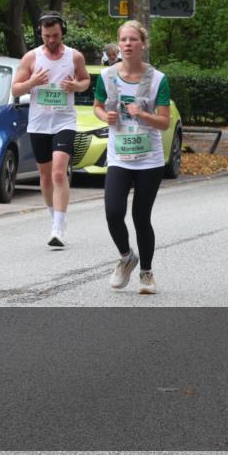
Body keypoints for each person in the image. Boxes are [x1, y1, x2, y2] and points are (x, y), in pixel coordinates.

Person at [93, 20, 171, 295]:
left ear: (143, 44)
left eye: (133, 40)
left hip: (149, 159)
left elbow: (164, 122)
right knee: (113, 213)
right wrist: (106, 116)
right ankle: (126, 257)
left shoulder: (159, 79)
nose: (127, 44)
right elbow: (98, 107)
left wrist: (142, 114)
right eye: (123, 40)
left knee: (141, 216)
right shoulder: (106, 76)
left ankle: (146, 273)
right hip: (119, 156)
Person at [11, 11, 90, 247]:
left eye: (55, 35)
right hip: (39, 123)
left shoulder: (74, 57)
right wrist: (32, 83)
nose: (51, 40)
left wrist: (75, 85)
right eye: (47, 36)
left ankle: (58, 227)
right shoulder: (31, 58)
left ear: (62, 32)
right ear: (40, 34)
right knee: (45, 177)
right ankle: (54, 216)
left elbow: (85, 81)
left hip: (64, 121)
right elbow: (15, 89)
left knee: (58, 172)